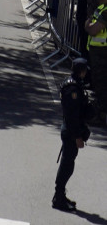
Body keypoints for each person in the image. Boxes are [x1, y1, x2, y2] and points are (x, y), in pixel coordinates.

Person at [53, 58, 93, 211]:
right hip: (70, 131)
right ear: (81, 71)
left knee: (68, 164)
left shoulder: (75, 84)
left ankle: (60, 195)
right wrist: (77, 137)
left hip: (71, 130)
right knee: (67, 165)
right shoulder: (73, 89)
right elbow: (72, 116)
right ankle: (59, 197)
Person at [85, 0, 107, 120]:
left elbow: (93, 30)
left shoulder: (105, 12)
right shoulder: (102, 9)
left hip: (102, 54)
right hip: (98, 53)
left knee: (101, 85)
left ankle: (101, 115)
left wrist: (87, 25)